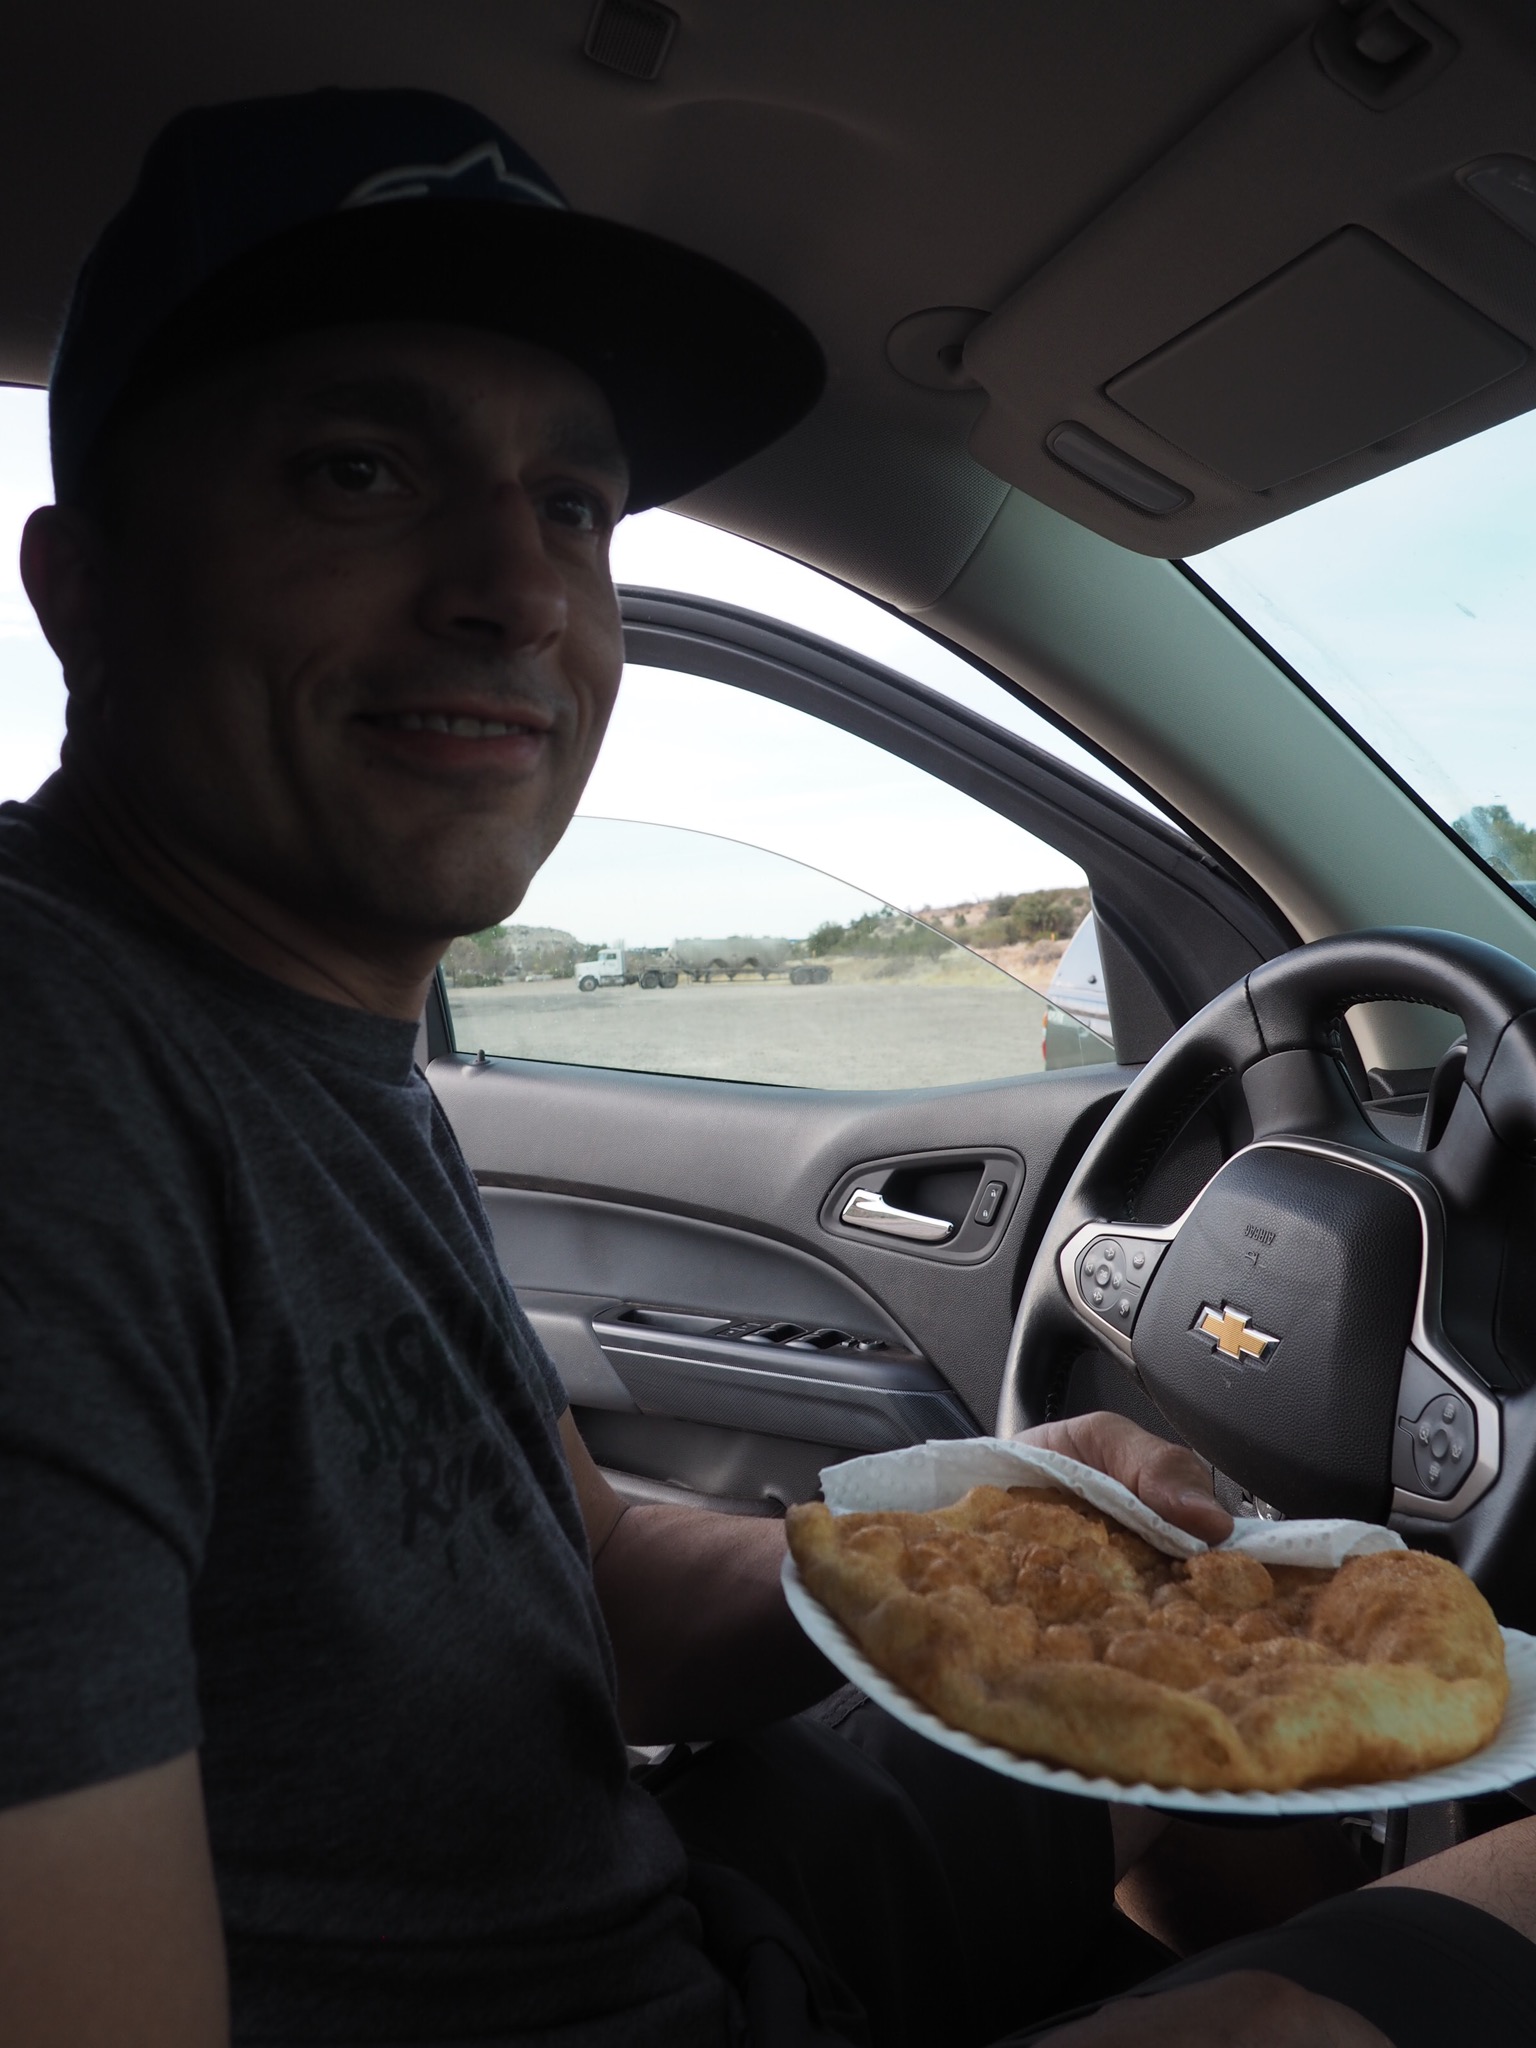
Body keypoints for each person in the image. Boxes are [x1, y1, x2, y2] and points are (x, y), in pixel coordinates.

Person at [2, 82, 1534, 2048]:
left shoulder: (298, 1031)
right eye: (359, 471)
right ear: (82, 589)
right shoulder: (49, 1086)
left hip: (658, 1906)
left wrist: (993, 1526)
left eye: (573, 505)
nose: (516, 589)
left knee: (1190, 1715)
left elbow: (603, 1587)